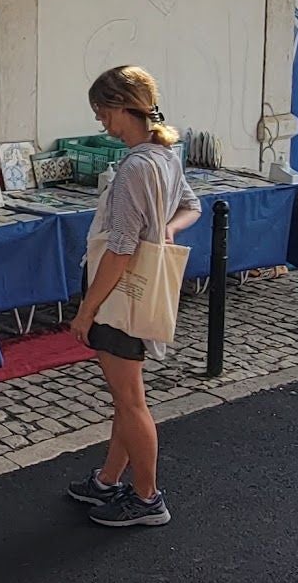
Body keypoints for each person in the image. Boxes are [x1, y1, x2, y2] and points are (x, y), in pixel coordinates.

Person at [65, 66, 202, 529]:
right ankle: (108, 479)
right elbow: (191, 206)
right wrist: (165, 229)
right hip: (137, 292)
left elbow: (120, 248)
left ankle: (147, 497)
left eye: (103, 111)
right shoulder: (164, 155)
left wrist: (87, 309)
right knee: (128, 397)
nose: (101, 121)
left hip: (119, 296)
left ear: (123, 107)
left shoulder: (135, 167)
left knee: (129, 400)